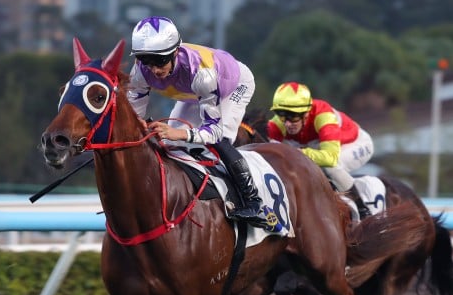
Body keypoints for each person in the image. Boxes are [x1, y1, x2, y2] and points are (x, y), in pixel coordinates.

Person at [127, 15, 272, 229]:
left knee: (219, 140)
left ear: (175, 51)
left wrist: (180, 133)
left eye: (160, 61)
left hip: (232, 85)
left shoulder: (202, 74)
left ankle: (254, 202)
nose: (154, 69)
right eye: (146, 60)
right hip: (193, 93)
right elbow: (133, 118)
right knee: (170, 146)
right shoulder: (140, 72)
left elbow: (212, 131)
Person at [267, 82, 375, 218]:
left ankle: (363, 210)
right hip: (319, 147)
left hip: (355, 144)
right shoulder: (276, 125)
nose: (287, 123)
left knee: (330, 168)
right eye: (281, 114)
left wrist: (300, 153)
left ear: (306, 114)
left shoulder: (323, 115)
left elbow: (330, 158)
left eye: (293, 116)